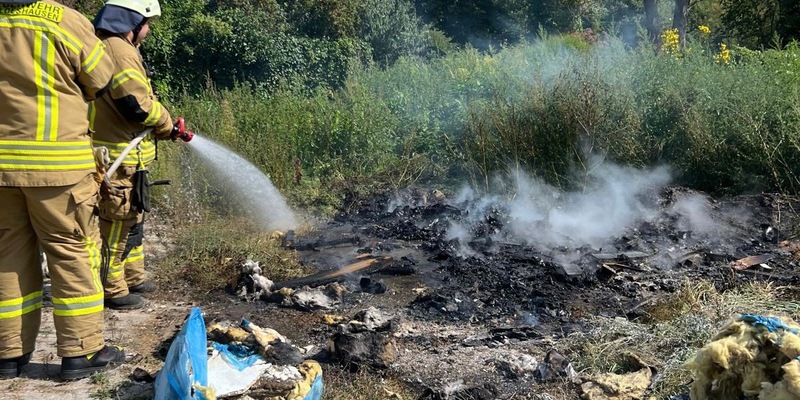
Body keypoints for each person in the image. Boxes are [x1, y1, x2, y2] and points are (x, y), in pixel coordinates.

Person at [0, 0, 126, 380]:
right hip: (58, 168)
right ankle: (83, 351)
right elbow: (103, 79)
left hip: (2, 168)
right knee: (70, 251)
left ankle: (8, 354)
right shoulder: (63, 20)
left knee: (8, 254)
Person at [90, 0, 185, 310]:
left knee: (134, 218)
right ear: (132, 22)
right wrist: (168, 123)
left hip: (130, 155)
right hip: (119, 156)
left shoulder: (113, 46)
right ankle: (112, 288)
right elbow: (137, 105)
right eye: (146, 24)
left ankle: (133, 276)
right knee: (117, 222)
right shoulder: (118, 51)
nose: (147, 32)